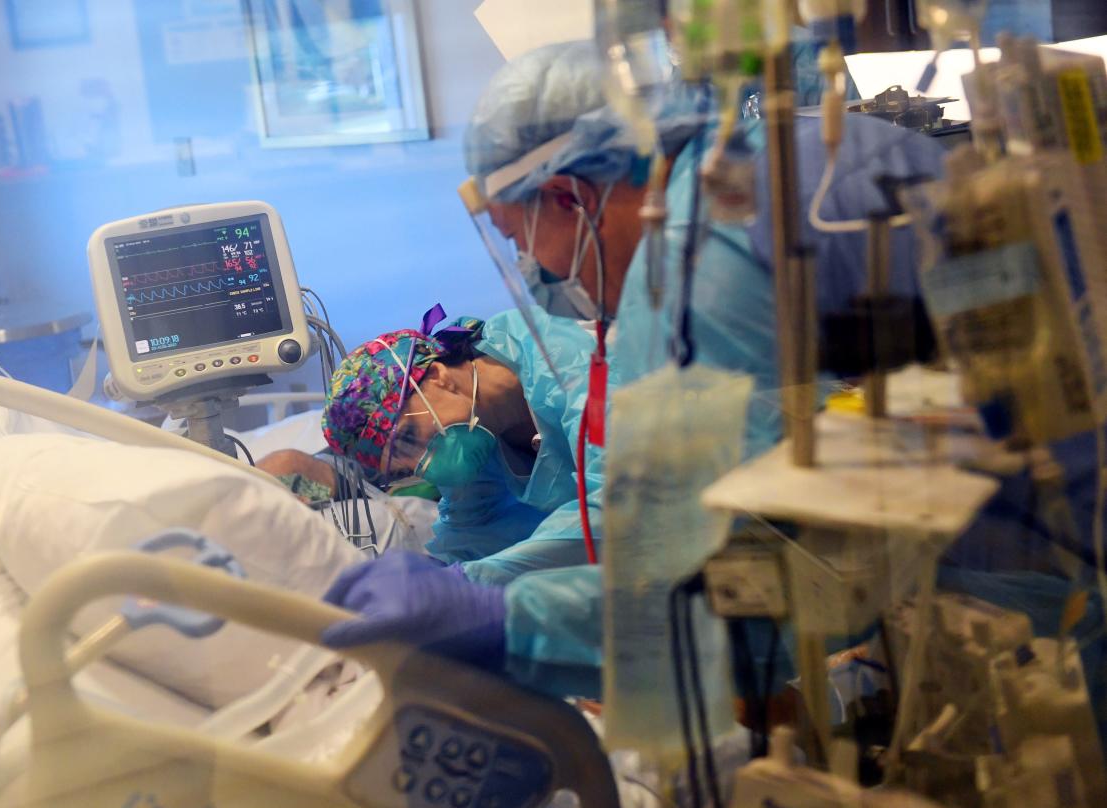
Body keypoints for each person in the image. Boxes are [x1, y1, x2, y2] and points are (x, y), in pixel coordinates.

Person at [319, 39, 946, 698]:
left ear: (569, 196)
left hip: (991, 557)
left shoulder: (699, 257)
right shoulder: (729, 182)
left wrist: (503, 619)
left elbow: (703, 561)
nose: (538, 276)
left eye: (520, 244)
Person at [320, 307, 608, 586]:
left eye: (408, 437)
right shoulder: (476, 428)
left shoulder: (565, 361)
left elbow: (620, 495)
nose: (426, 463)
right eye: (406, 468)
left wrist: (469, 579)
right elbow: (472, 531)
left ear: (437, 377)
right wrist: (438, 577)